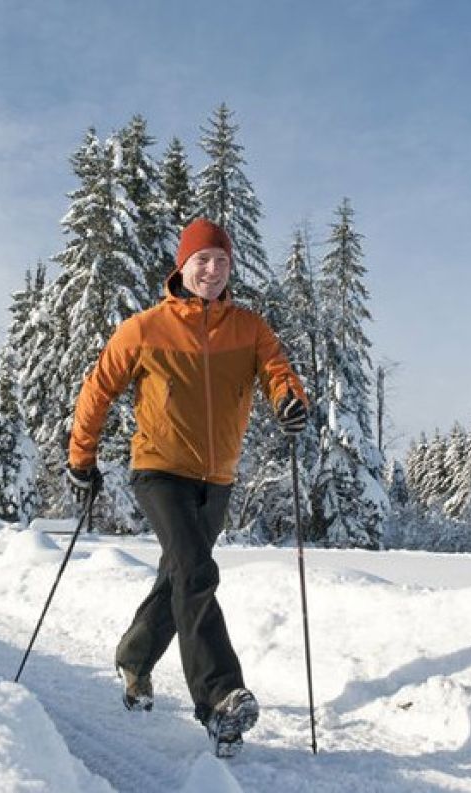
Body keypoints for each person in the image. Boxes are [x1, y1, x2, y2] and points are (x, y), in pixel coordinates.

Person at [66, 217, 309, 756]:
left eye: (222, 261)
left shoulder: (248, 327)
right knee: (196, 573)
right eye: (203, 260)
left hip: (217, 476)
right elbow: (99, 387)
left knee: (179, 573)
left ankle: (134, 657)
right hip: (159, 470)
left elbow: (277, 370)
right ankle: (220, 697)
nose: (213, 270)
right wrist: (80, 458)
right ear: (182, 264)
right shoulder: (145, 328)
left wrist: (290, 400)